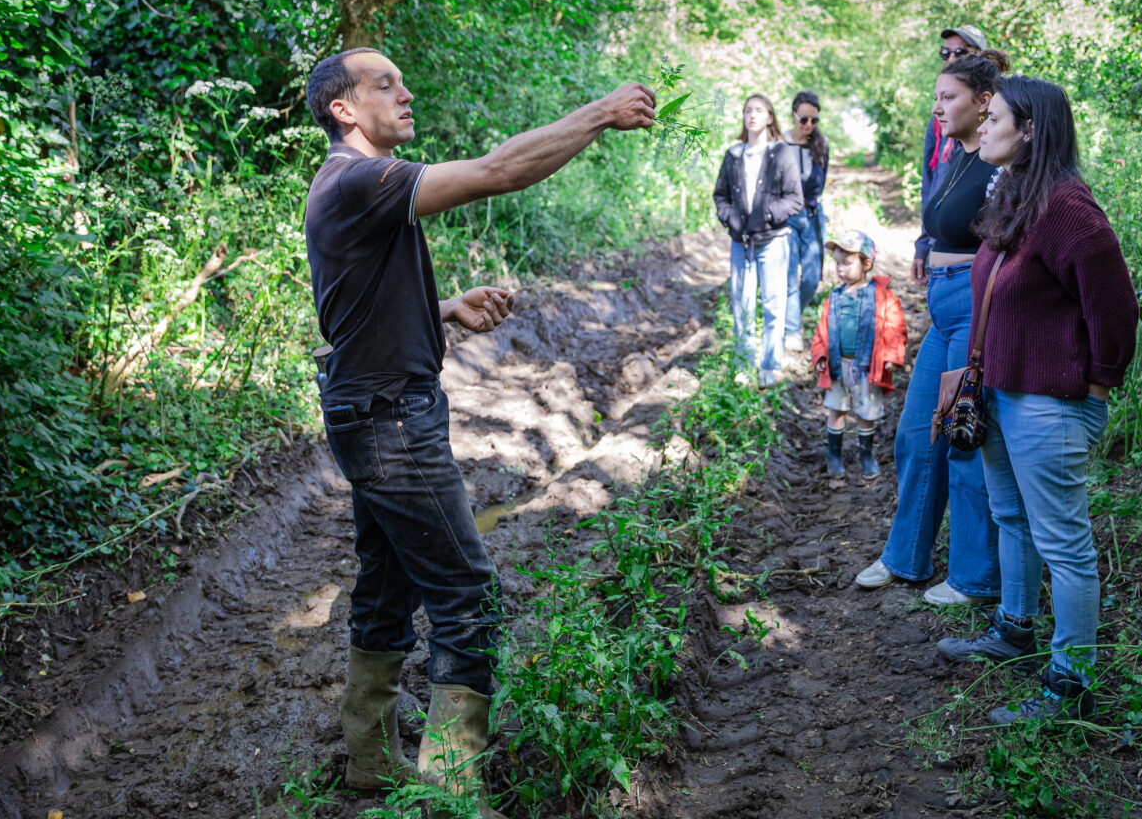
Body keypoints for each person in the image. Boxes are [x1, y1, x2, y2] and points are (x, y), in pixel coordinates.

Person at [302, 47, 655, 809]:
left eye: (403, 77)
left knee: (387, 585)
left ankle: (370, 760)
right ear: (343, 109)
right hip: (390, 419)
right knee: (467, 596)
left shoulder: (350, 185)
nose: (405, 92)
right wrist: (599, 113)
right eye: (383, 84)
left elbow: (354, 316)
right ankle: (452, 791)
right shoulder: (358, 178)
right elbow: (498, 170)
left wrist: (444, 311)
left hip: (373, 407)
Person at [934, 75, 1138, 726]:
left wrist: (1099, 382)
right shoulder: (1016, 199)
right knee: (1012, 518)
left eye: (995, 118)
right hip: (1002, 392)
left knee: (1065, 544)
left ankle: (1070, 683)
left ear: (1030, 130)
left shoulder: (1070, 211)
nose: (983, 127)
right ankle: (1013, 630)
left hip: (1050, 402)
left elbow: (1117, 310)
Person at [855, 48, 1011, 605]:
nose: (938, 107)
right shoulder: (956, 154)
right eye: (937, 97)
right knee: (917, 434)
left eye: (949, 98)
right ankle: (906, 557)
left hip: (975, 305)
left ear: (984, 101)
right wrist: (925, 243)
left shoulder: (999, 163)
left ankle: (974, 577)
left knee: (963, 436)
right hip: (943, 308)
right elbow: (942, 220)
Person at [712, 94, 804, 386]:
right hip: (741, 243)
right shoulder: (734, 154)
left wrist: (767, 214)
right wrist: (729, 217)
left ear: (770, 117)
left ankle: (768, 367)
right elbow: (720, 195)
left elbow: (795, 199)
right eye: (747, 110)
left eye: (759, 110)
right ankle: (743, 366)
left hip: (773, 241)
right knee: (742, 304)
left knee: (774, 306)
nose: (752, 115)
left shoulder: (781, 153)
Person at [808, 230, 906, 476]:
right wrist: (820, 356)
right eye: (838, 263)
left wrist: (892, 357)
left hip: (867, 366)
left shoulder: (883, 297)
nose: (841, 269)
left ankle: (866, 455)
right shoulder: (835, 297)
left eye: (847, 263)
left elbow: (895, 328)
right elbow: (822, 330)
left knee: (866, 412)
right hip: (838, 365)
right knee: (836, 409)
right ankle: (834, 456)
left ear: (866, 264)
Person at [912, 23, 989, 287]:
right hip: (940, 246)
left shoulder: (998, 131)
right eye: (945, 53)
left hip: (971, 277)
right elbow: (930, 185)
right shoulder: (939, 123)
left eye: (960, 52)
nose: (951, 58)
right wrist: (924, 245)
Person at [783, 92, 830, 353]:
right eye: (803, 119)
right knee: (790, 274)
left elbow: (821, 182)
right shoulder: (780, 144)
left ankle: (792, 313)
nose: (809, 125)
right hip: (786, 218)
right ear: (793, 116)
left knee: (812, 276)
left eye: (814, 120)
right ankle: (791, 328)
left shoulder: (821, 146)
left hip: (812, 215)